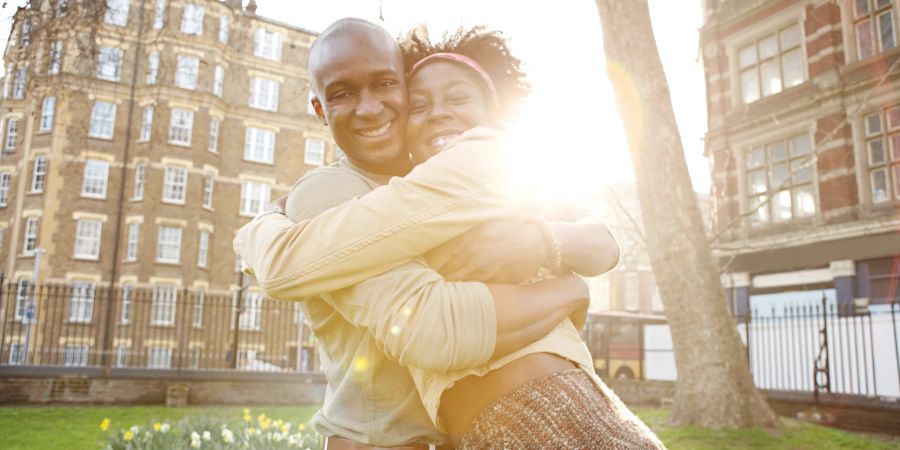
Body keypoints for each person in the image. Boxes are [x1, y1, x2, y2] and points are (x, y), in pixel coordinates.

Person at [236, 18, 619, 449]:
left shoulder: (446, 170)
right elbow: (432, 329)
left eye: (384, 84)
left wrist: (546, 240)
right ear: (321, 110)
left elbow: (601, 238)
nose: (369, 108)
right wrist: (570, 292)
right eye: (343, 93)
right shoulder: (329, 192)